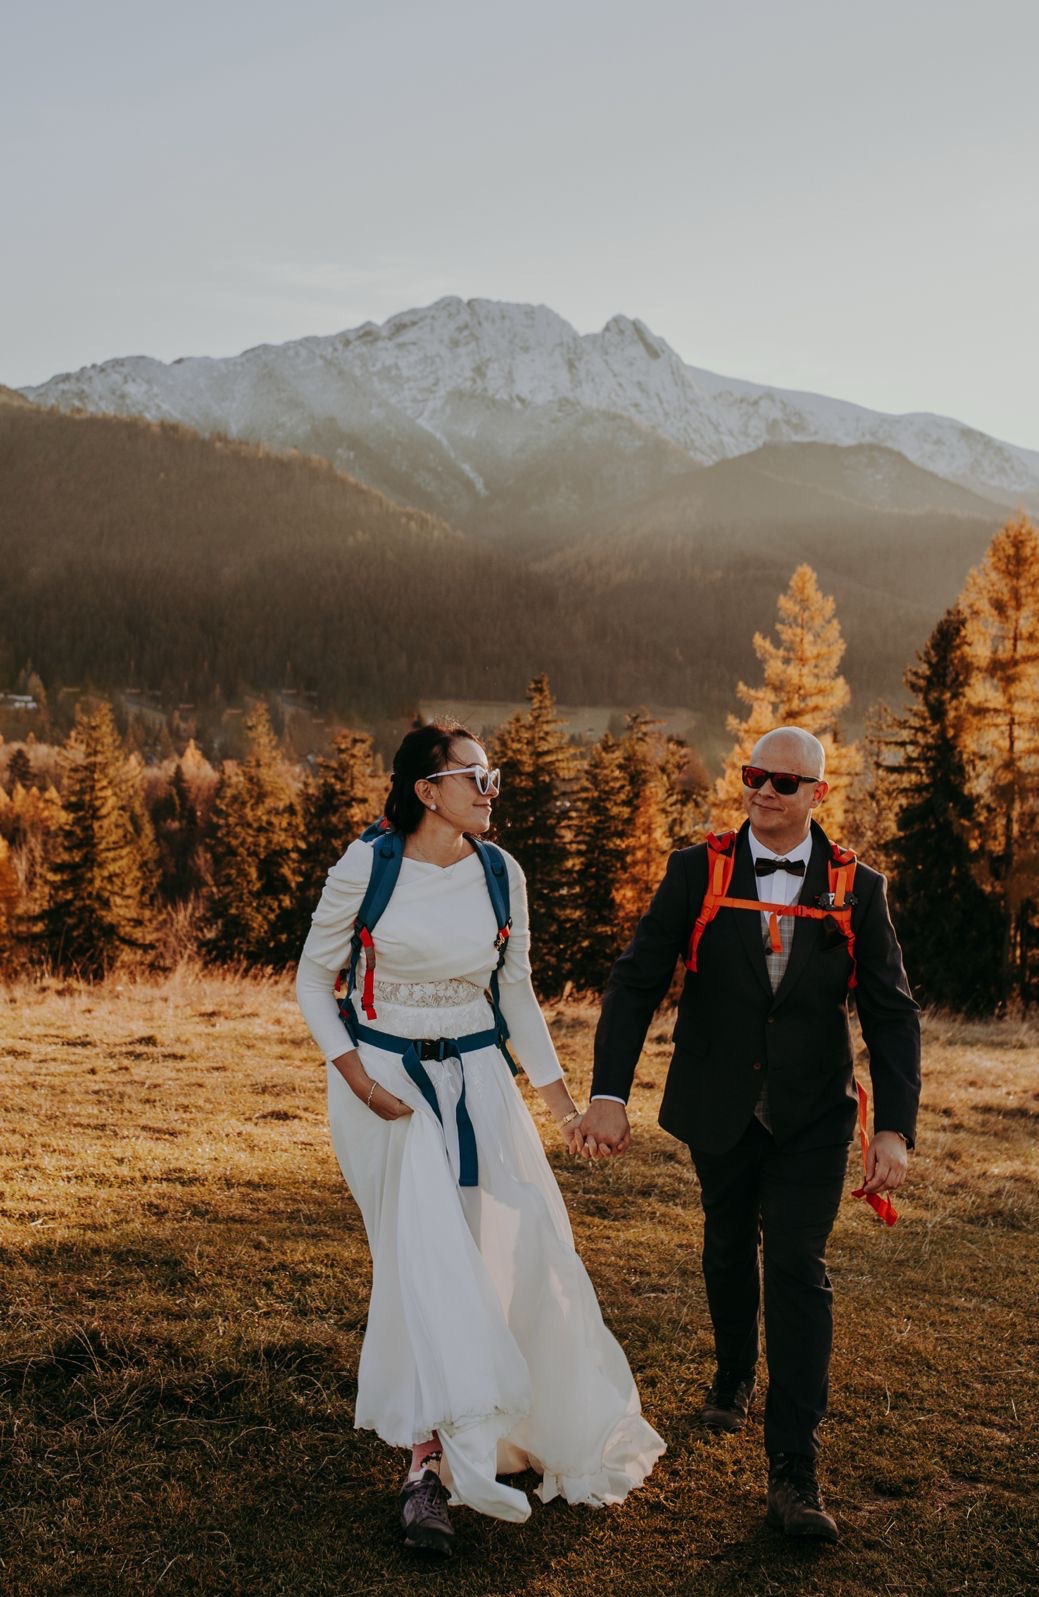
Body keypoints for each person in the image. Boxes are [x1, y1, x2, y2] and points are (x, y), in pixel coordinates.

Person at [295, 722, 664, 1555]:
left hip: (479, 1085)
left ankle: (493, 1421)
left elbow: (517, 996)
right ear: (427, 789)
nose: (491, 788)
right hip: (384, 1090)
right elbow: (315, 980)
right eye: (475, 775)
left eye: (491, 775)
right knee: (421, 1262)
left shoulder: (502, 873)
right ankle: (425, 1467)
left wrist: (563, 1107)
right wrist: (358, 1078)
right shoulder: (370, 863)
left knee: (510, 1246)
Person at [581, 726, 920, 1542]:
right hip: (717, 1101)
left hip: (812, 1112)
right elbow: (635, 980)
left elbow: (889, 1009)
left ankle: (793, 1471)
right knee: (729, 1242)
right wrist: (606, 1092)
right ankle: (732, 1372)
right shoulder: (695, 869)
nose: (764, 791)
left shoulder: (856, 886)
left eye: (784, 781)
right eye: (753, 775)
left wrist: (896, 1131)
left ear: (818, 794)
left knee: (797, 1264)